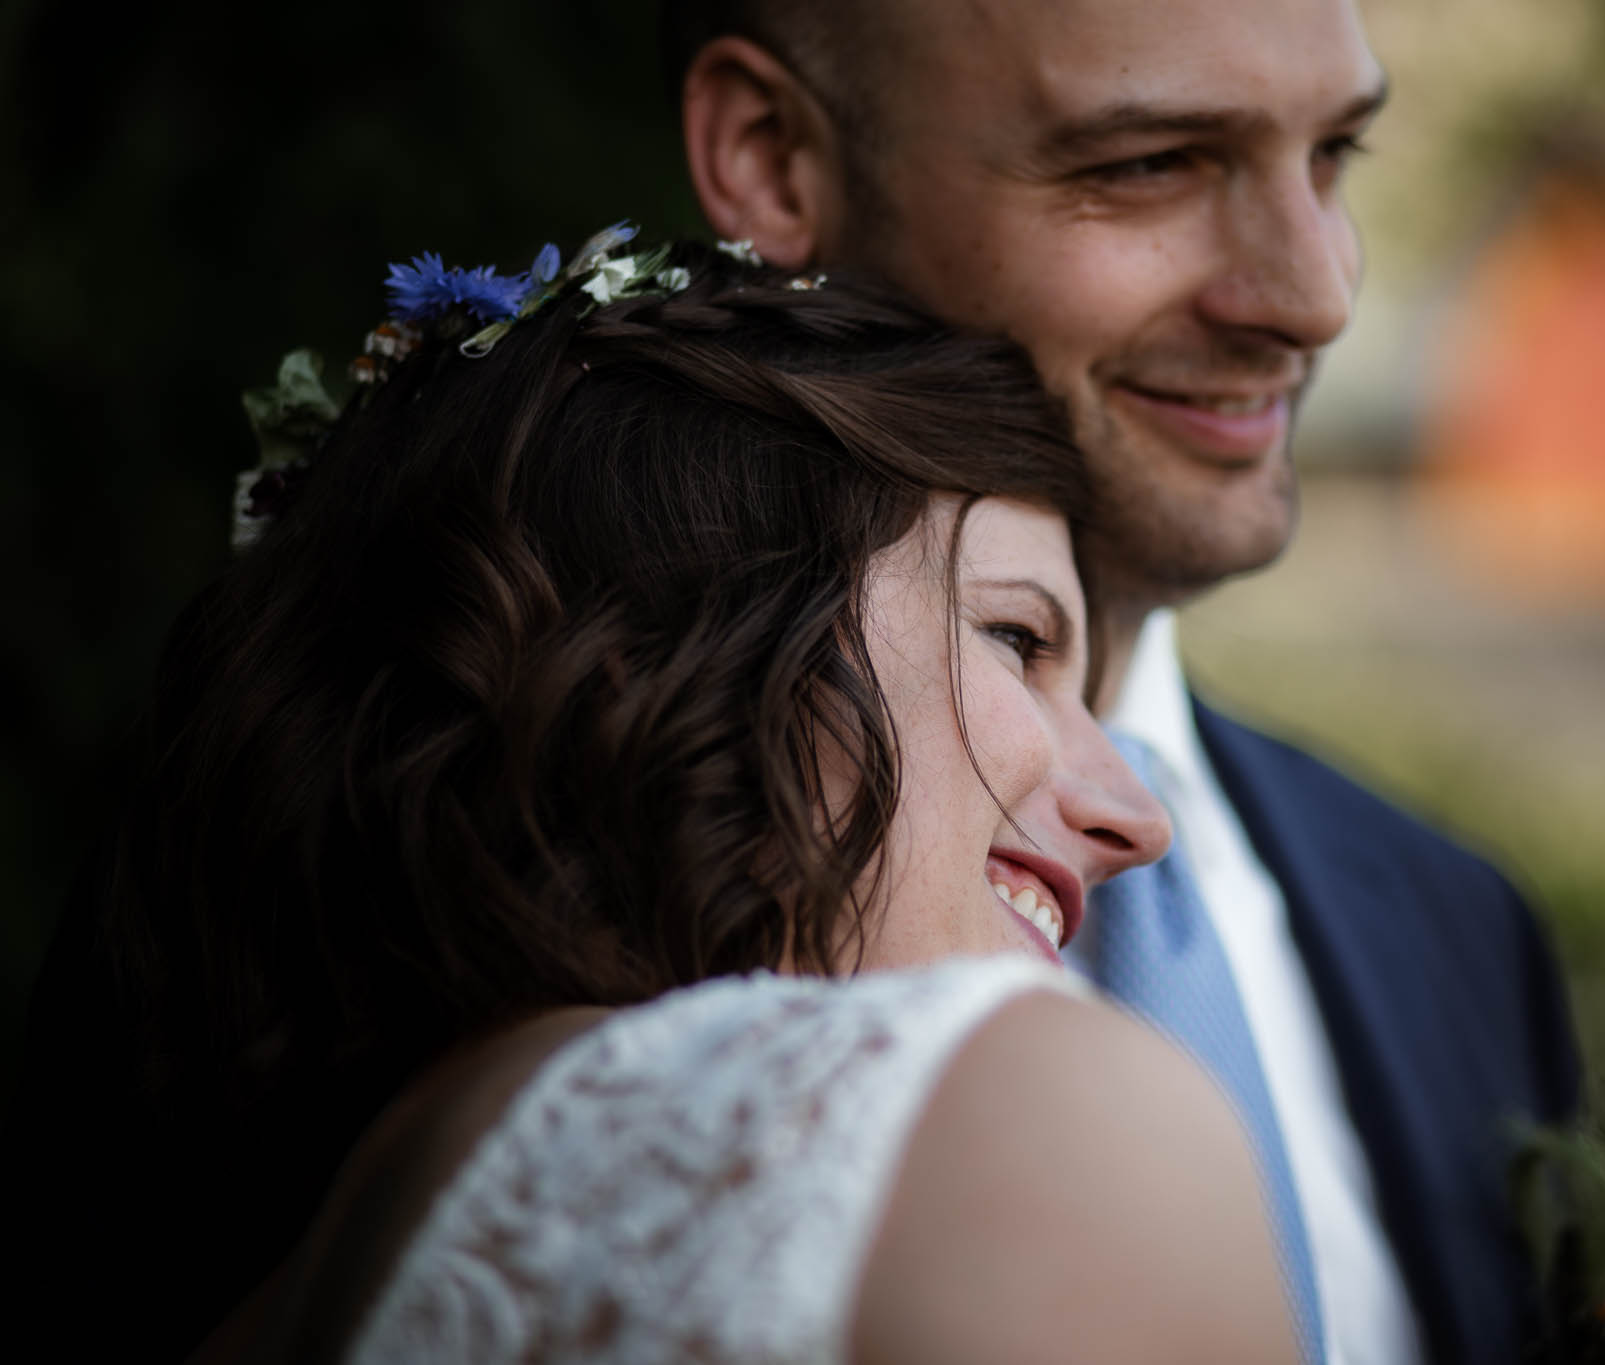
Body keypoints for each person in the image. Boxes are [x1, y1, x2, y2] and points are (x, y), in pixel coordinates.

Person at [12, 235, 1300, 1362]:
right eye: (1019, 640)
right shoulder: (1028, 1133)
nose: (1140, 815)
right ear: (687, 627)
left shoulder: (276, 1274)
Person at [668, 3, 1584, 1362]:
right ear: (774, 158)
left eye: (1334, 155)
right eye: (1151, 162)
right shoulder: (550, 875)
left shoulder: (1462, 930)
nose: (1316, 294)